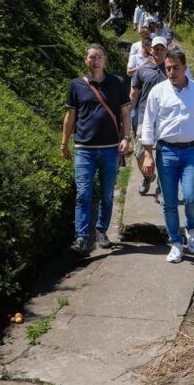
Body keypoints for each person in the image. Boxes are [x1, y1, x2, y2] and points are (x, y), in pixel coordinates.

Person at [139, 48, 194, 263]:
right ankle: (175, 243)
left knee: (192, 197)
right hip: (166, 152)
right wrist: (148, 154)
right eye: (168, 68)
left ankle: (191, 230)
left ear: (185, 67)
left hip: (191, 150)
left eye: (175, 68)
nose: (171, 72)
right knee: (169, 201)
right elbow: (148, 123)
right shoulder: (158, 92)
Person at [61, 43, 132, 254]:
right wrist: (64, 143)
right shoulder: (76, 85)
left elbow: (126, 113)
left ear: (105, 59)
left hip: (110, 149)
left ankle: (101, 230)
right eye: (92, 57)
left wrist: (126, 137)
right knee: (83, 194)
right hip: (84, 149)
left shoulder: (117, 83)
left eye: (99, 56)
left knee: (107, 193)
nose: (96, 60)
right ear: (86, 60)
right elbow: (70, 116)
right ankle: (81, 237)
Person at [130, 36, 168, 195]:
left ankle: (161, 187)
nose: (158, 52)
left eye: (162, 49)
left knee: (163, 156)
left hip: (166, 119)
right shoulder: (141, 70)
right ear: (150, 50)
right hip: (144, 117)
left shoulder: (172, 69)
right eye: (156, 48)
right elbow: (133, 93)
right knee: (139, 153)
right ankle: (148, 175)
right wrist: (127, 114)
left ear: (166, 51)